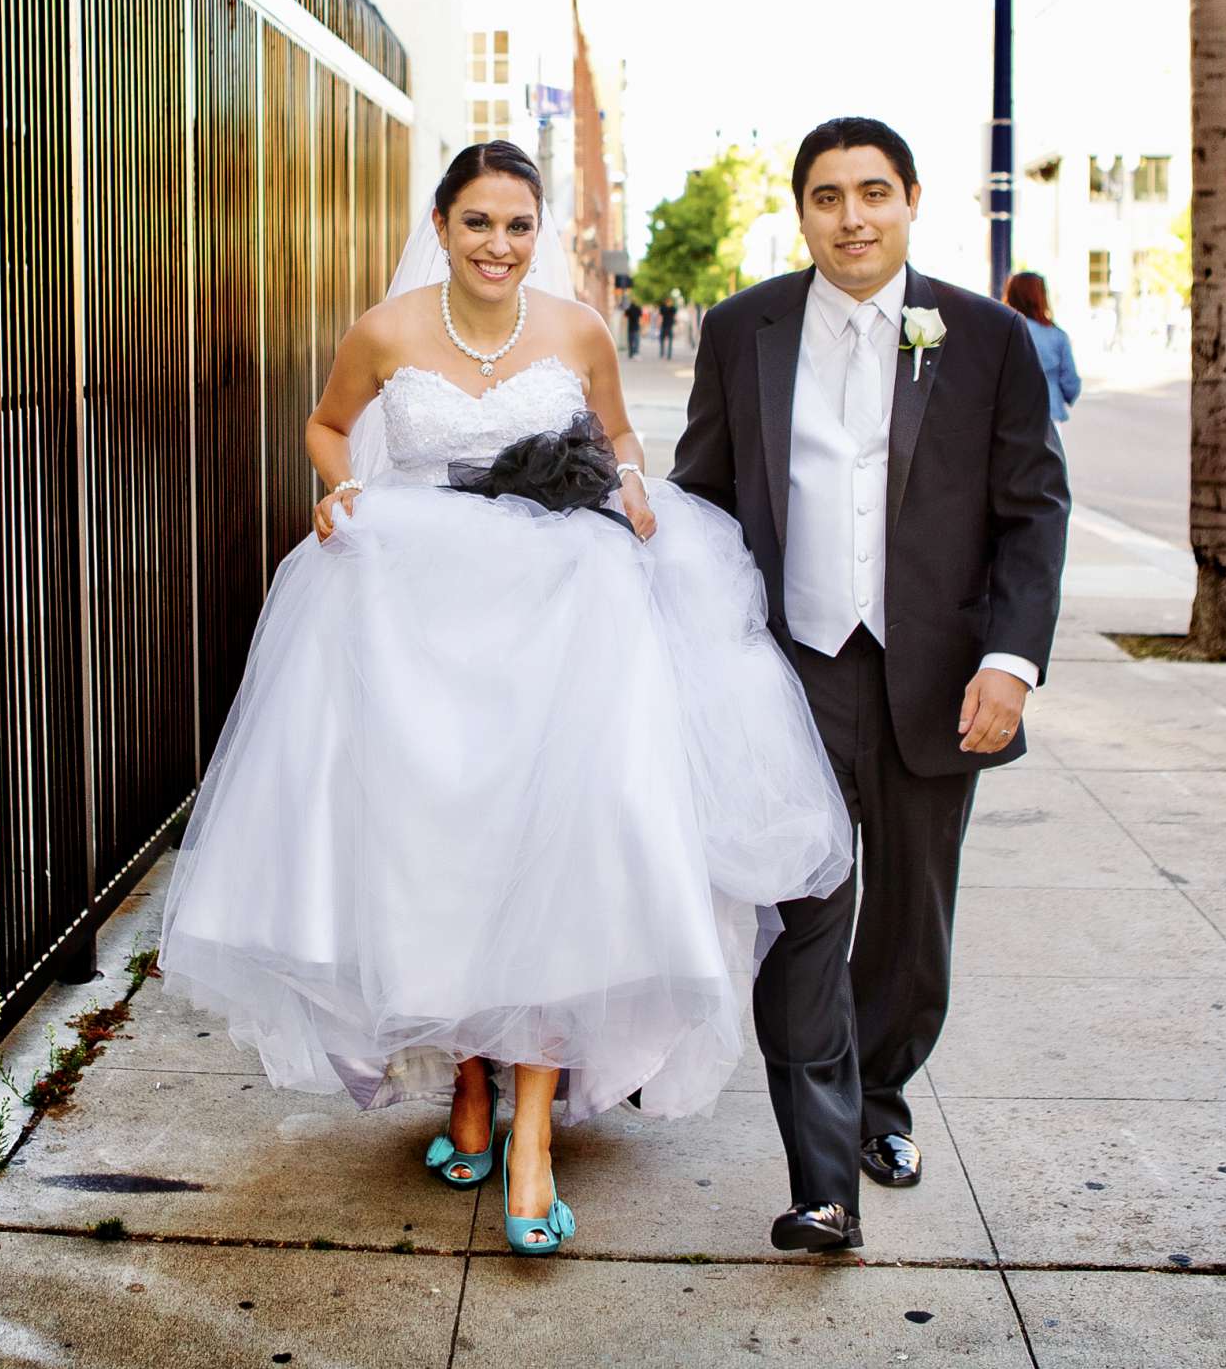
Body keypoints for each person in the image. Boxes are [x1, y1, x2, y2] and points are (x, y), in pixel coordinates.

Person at [158, 141, 852, 1259]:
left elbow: (620, 434)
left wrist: (627, 482)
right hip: (420, 617)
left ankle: (530, 1133)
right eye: (478, 222)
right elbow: (330, 426)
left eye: (518, 225)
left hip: (560, 614)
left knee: (559, 852)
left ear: (542, 233)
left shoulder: (577, 331)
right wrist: (340, 488)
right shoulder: (385, 333)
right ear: (440, 227)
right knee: (446, 856)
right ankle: (467, 1085)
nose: (498, 245)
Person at [671, 117, 1070, 1254]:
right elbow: (704, 491)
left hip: (940, 676)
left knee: (911, 920)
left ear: (911, 201)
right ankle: (820, 1178)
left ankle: (882, 1093)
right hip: (789, 670)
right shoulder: (744, 327)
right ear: (800, 211)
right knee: (803, 915)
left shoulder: (987, 337)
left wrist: (1012, 660)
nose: (853, 216)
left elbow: (1034, 508)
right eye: (829, 197)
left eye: (874, 193)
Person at [1002, 271, 1081, 422]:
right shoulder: (1057, 336)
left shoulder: (1001, 332)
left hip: (1008, 418)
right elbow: (1071, 384)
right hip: (1048, 416)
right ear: (1041, 297)